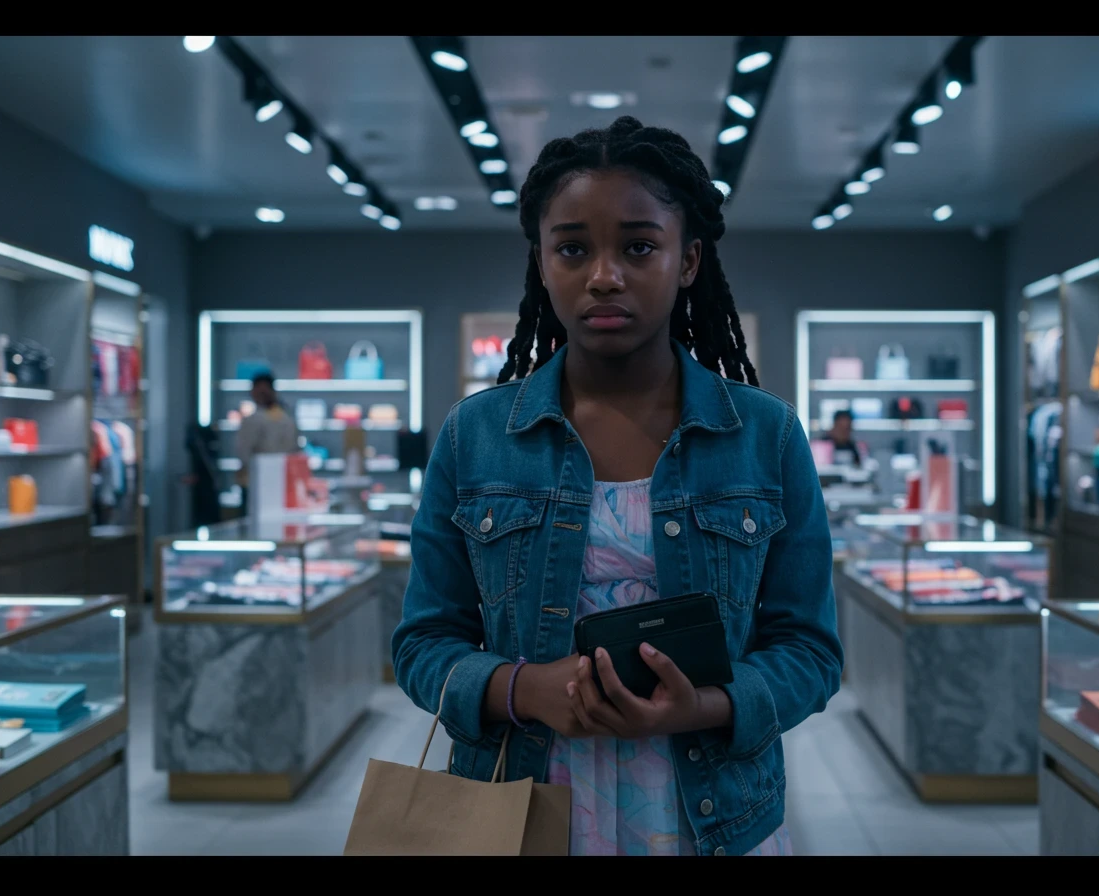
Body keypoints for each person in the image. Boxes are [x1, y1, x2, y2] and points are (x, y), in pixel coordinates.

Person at [392, 117, 842, 857]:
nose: (604, 275)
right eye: (573, 248)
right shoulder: (473, 437)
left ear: (688, 259)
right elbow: (421, 642)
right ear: (541, 261)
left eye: (639, 246)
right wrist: (520, 688)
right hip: (520, 811)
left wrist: (704, 706)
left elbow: (810, 650)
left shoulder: (767, 436)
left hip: (716, 822)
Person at [233, 371, 299, 497]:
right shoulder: (286, 417)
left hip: (260, 480)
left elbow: (243, 452)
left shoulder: (254, 420)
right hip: (277, 480)